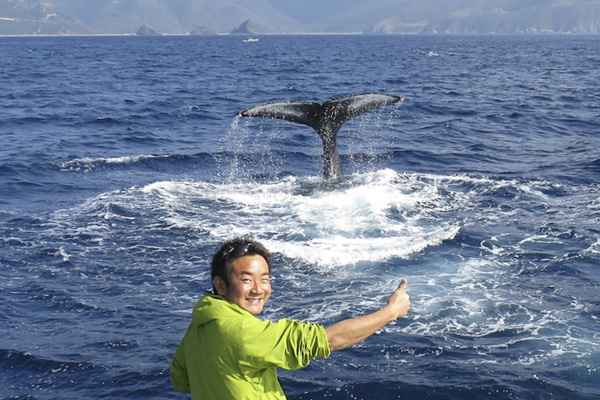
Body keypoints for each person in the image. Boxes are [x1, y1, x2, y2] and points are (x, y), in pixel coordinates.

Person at [170, 237, 410, 399]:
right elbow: (327, 340)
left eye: (264, 279)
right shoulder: (242, 332)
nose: (258, 289)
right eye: (246, 280)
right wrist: (390, 312)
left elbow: (181, 381)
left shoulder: (198, 328)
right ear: (220, 285)